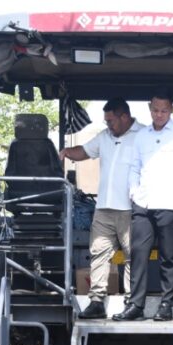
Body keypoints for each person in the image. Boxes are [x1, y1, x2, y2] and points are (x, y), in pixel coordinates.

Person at [113, 90, 173, 322]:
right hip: (143, 202)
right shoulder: (142, 135)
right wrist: (133, 191)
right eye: (155, 110)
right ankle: (135, 305)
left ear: (172, 109)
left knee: (168, 255)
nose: (159, 114)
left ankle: (166, 305)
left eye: (164, 110)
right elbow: (134, 167)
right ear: (149, 108)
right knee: (137, 254)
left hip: (170, 202)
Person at [58, 98, 144, 319]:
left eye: (111, 121)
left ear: (124, 117)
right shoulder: (104, 137)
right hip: (104, 208)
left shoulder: (144, 135)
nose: (108, 125)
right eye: (106, 121)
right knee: (98, 254)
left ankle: (131, 303)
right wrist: (66, 151)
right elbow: (84, 152)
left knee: (131, 257)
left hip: (131, 209)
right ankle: (96, 302)